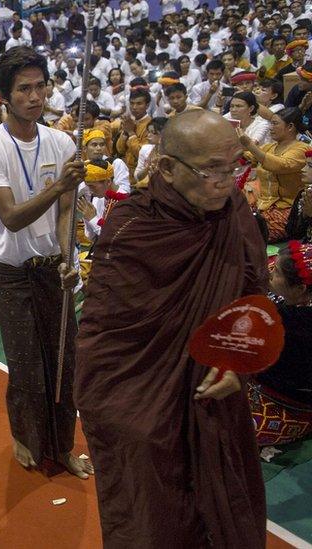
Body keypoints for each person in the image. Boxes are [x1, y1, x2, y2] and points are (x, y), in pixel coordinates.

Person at [75, 109, 266, 548]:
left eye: (233, 166)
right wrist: (118, 414)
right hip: (146, 399)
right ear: (166, 168)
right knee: (157, 515)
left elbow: (253, 299)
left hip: (215, 390)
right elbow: (105, 332)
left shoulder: (233, 210)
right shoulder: (134, 226)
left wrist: (240, 364)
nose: (225, 180)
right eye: (210, 170)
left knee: (226, 505)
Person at [0, 47, 89, 474]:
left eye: (41, 86)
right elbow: (13, 218)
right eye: (24, 89)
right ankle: (26, 437)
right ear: (5, 95)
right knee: (26, 366)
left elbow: (66, 213)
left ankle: (64, 446)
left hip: (52, 268)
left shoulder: (62, 142)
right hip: (11, 273)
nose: (35, 96)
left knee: (64, 362)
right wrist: (58, 187)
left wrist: (64, 254)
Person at [249, 241, 312, 447]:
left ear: (300, 288)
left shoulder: (294, 326)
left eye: (276, 272)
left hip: (290, 404)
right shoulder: (296, 303)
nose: (269, 274)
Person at [241, 107, 310, 241]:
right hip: (263, 205)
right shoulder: (269, 147)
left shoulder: (302, 149)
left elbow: (280, 165)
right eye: (270, 123)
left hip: (288, 209)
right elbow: (247, 157)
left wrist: (250, 144)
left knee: (252, 233)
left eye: (275, 123)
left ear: (290, 127)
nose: (270, 128)